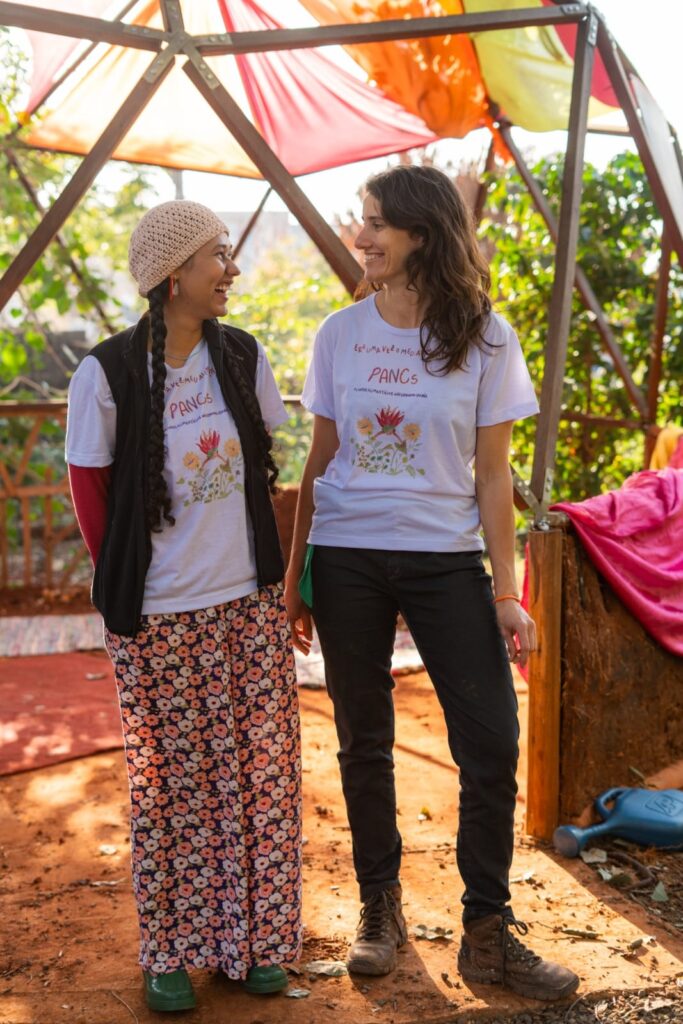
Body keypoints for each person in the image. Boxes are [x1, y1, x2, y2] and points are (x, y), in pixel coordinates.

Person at [285, 165, 579, 1002]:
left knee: (489, 742)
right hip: (345, 554)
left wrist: (505, 590)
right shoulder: (339, 333)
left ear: (423, 232)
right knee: (363, 740)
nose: (361, 236)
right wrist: (295, 578)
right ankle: (381, 912)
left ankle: (487, 932)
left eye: (377, 222)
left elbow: (492, 477)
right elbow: (318, 462)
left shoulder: (487, 338)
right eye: (362, 221)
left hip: (445, 557)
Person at [65, 201, 301, 1012]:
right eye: (216, 256)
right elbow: (90, 490)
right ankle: (169, 949)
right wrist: (125, 583)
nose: (229, 269)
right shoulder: (106, 373)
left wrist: (283, 589)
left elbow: (268, 479)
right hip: (160, 613)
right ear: (174, 277)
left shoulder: (241, 356)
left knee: (258, 779)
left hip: (245, 602)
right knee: (172, 786)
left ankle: (252, 942)